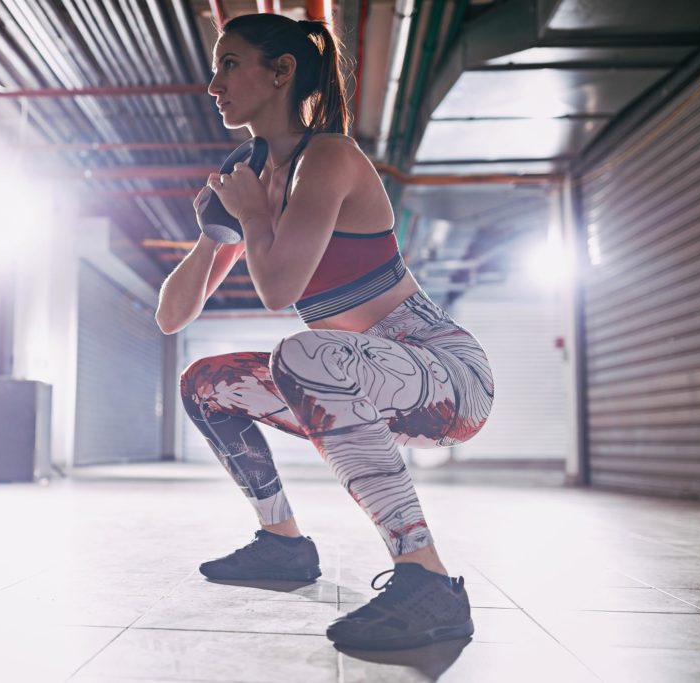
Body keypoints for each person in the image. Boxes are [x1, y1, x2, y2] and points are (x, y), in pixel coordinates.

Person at [155, 13, 495, 651]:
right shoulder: (254, 174)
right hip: (357, 376)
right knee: (207, 382)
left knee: (305, 353)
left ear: (281, 72)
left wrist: (253, 215)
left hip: (448, 377)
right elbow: (172, 316)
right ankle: (283, 545)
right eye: (215, 67)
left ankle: (428, 580)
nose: (214, 84)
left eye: (230, 64)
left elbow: (279, 289)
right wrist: (214, 235)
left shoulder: (330, 157)